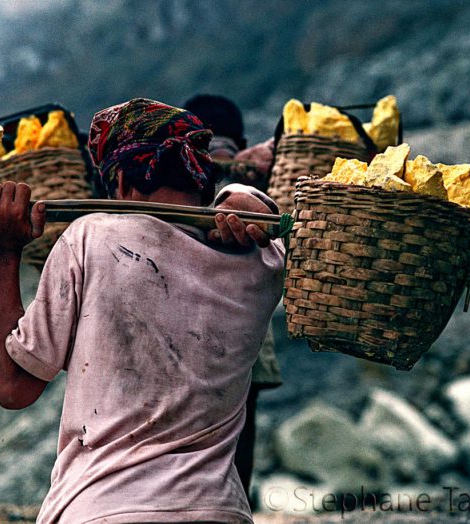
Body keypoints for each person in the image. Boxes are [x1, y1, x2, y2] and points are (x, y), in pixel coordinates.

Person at [0, 98, 285, 523]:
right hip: (218, 510)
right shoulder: (259, 261)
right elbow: (271, 219)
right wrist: (245, 195)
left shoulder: (90, 238)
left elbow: (13, 388)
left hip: (103, 507)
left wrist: (1, 251)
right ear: (203, 179)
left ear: (120, 181)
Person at [184, 94, 283, 500]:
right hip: (247, 341)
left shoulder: (186, 180)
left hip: (194, 338)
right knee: (237, 454)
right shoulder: (256, 176)